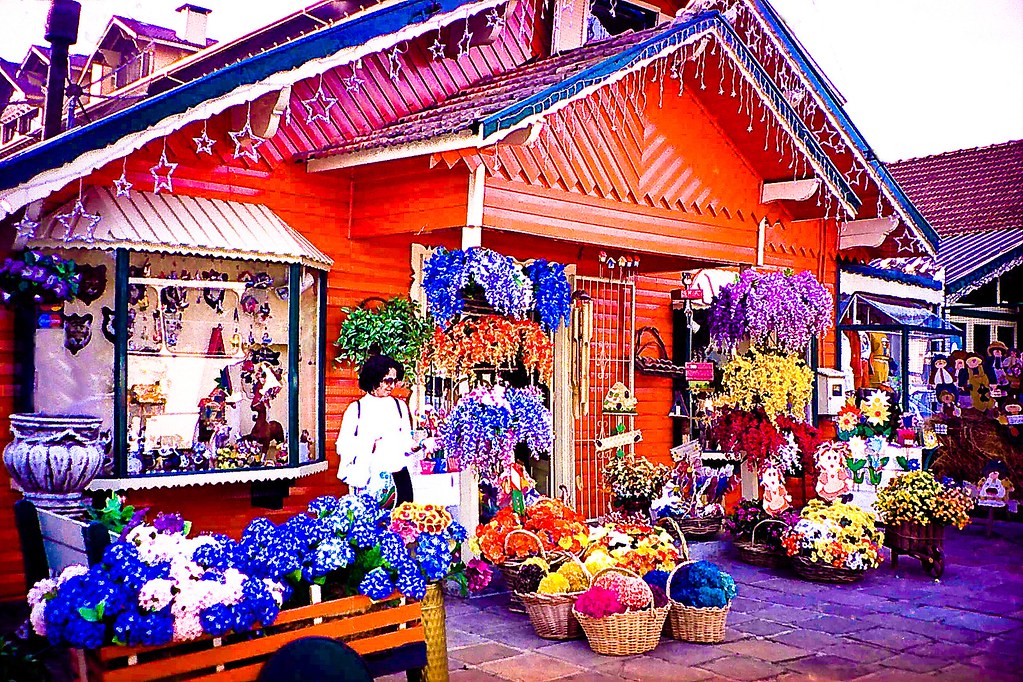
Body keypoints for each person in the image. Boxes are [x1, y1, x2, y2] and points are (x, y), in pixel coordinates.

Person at [336, 354, 417, 504]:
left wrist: (417, 446)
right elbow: (342, 446)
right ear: (374, 379)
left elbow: (406, 441)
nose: (391, 386)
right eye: (387, 381)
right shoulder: (356, 409)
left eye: (395, 381)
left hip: (399, 477)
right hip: (369, 480)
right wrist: (369, 444)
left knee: (403, 517)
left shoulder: (400, 406)